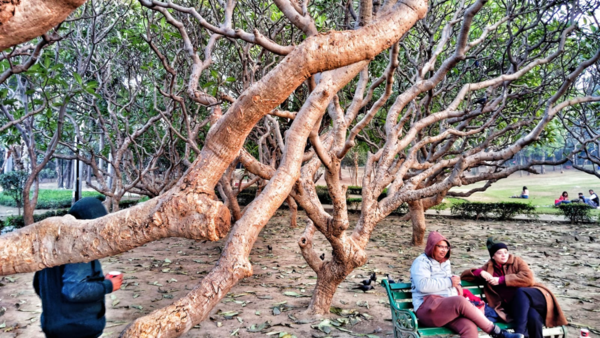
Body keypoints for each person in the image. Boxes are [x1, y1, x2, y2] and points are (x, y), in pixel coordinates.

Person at [33, 197, 123, 338]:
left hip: (54, 326)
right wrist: (108, 285)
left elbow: (38, 283)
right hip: (77, 330)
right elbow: (74, 291)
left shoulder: (52, 243)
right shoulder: (80, 247)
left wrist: (56, 306)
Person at [409, 231, 523, 338]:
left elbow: (446, 286)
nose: (444, 250)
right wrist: (449, 282)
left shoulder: (445, 262)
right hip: (427, 309)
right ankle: (497, 333)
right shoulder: (421, 262)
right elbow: (422, 285)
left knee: (469, 327)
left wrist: (455, 286)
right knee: (460, 301)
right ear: (431, 246)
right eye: (440, 247)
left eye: (446, 247)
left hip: (445, 310)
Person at [461, 240, 567, 338]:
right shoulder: (489, 268)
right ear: (493, 256)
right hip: (516, 307)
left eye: (505, 252)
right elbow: (465, 276)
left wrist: (501, 280)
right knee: (533, 316)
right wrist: (480, 272)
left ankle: (520, 332)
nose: (503, 255)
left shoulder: (517, 261)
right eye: (499, 253)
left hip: (535, 296)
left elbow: (528, 279)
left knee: (520, 292)